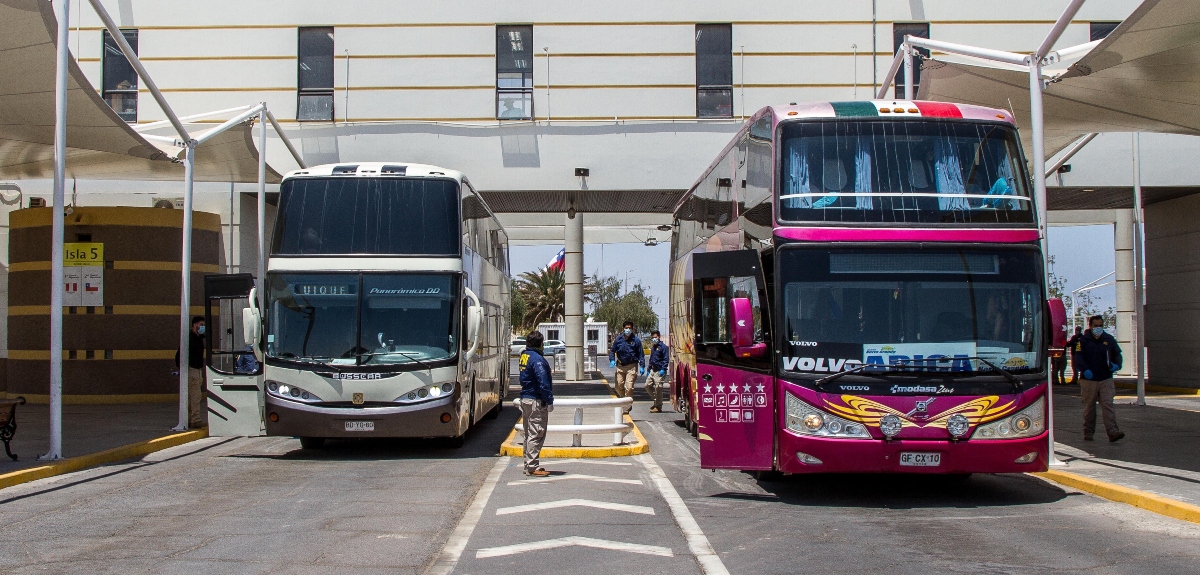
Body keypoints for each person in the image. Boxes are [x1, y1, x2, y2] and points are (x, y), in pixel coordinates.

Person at [1072, 315, 1125, 442]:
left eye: (1100, 325)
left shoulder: (1109, 339)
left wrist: (1117, 365)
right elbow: (1078, 357)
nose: (1098, 328)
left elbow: (1117, 354)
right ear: (1090, 326)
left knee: (1108, 405)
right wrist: (1084, 370)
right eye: (1096, 326)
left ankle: (1113, 432)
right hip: (1089, 380)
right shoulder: (1083, 341)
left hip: (1105, 378)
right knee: (1089, 407)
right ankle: (1088, 432)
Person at [518, 330, 555, 477]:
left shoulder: (525, 356)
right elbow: (543, 382)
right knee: (536, 433)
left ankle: (528, 464)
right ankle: (533, 466)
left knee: (529, 433)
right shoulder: (538, 360)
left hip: (525, 398)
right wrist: (549, 400)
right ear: (540, 344)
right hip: (535, 400)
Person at [174, 316, 207, 429]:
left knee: (191, 396)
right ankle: (195, 420)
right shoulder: (190, 339)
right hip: (192, 370)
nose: (203, 327)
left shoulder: (198, 338)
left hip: (196, 370)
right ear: (194, 325)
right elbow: (179, 355)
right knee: (195, 396)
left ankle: (189, 419)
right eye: (201, 324)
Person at [608, 321, 645, 407]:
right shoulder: (618, 339)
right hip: (620, 366)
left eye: (630, 328)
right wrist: (612, 360)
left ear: (632, 329)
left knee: (629, 387)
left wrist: (642, 366)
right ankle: (623, 398)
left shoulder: (636, 341)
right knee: (619, 386)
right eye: (626, 328)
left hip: (631, 366)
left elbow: (641, 354)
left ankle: (627, 405)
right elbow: (612, 350)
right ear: (623, 329)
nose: (628, 330)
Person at [645, 330, 669, 413]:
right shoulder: (653, 348)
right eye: (653, 337)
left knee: (658, 387)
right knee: (647, 385)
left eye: (655, 337)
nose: (654, 339)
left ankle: (658, 406)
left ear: (659, 337)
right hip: (653, 370)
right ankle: (656, 401)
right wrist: (648, 369)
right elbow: (651, 359)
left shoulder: (663, 347)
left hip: (660, 370)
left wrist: (663, 368)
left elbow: (666, 359)